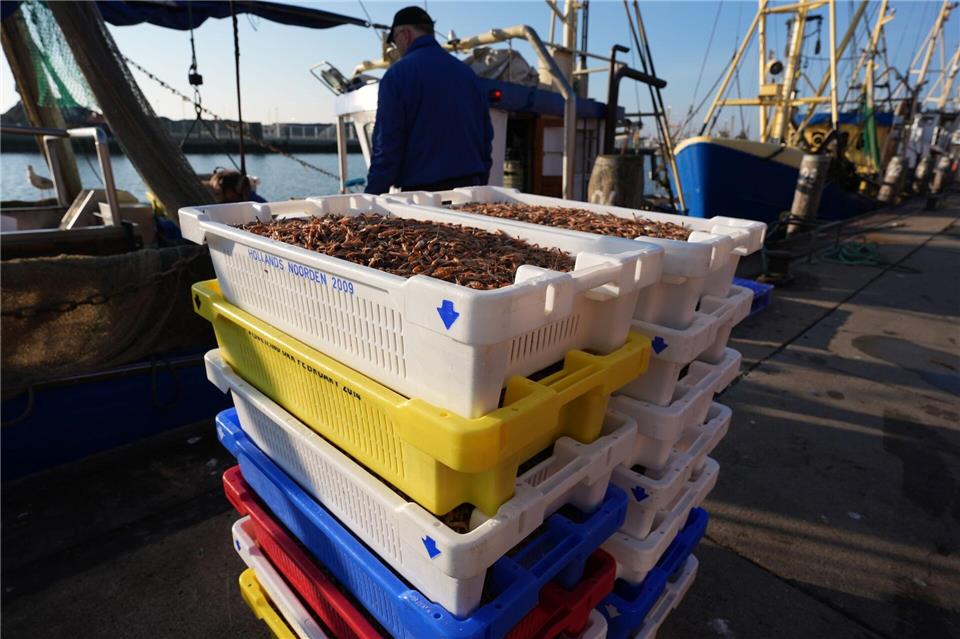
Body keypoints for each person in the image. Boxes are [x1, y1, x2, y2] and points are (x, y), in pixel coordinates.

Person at [365, 6, 494, 195]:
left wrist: (371, 197)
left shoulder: (397, 75)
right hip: (470, 191)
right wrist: (480, 184)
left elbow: (387, 146)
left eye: (395, 41)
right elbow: (485, 140)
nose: (397, 48)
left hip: (423, 196)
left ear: (405, 34)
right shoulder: (468, 75)